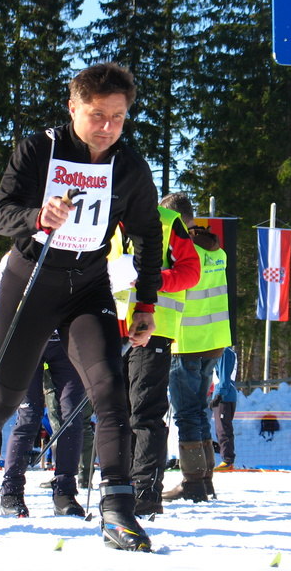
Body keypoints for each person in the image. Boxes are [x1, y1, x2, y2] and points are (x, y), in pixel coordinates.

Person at [0, 63, 162, 552]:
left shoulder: (129, 167)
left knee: (110, 390)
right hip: (32, 280)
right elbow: (1, 214)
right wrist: (36, 216)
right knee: (6, 395)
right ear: (73, 108)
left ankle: (118, 510)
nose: (108, 127)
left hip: (87, 287)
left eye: (118, 117)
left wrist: (146, 302)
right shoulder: (39, 149)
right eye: (97, 115)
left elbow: (148, 235)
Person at [0, 252, 86, 518]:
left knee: (72, 415)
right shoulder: (21, 256)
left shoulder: (78, 253)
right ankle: (11, 492)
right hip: (25, 342)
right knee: (29, 414)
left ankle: (65, 492)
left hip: (66, 343)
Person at [121, 204, 199, 516]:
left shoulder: (168, 220)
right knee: (116, 412)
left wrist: (153, 281)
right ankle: (118, 487)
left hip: (154, 328)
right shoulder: (101, 214)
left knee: (144, 411)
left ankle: (145, 492)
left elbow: (191, 272)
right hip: (108, 324)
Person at [159, 193, 232, 503]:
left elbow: (176, 284)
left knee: (187, 414)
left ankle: (193, 482)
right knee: (199, 411)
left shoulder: (183, 250)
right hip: (213, 340)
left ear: (173, 218)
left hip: (185, 340)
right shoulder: (216, 250)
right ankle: (204, 480)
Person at [211, 346, 238, 472]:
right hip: (222, 395)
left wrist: (220, 394)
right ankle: (226, 458)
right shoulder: (223, 352)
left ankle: (227, 460)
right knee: (220, 429)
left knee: (223, 429)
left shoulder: (225, 352)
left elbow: (224, 377)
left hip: (225, 397)